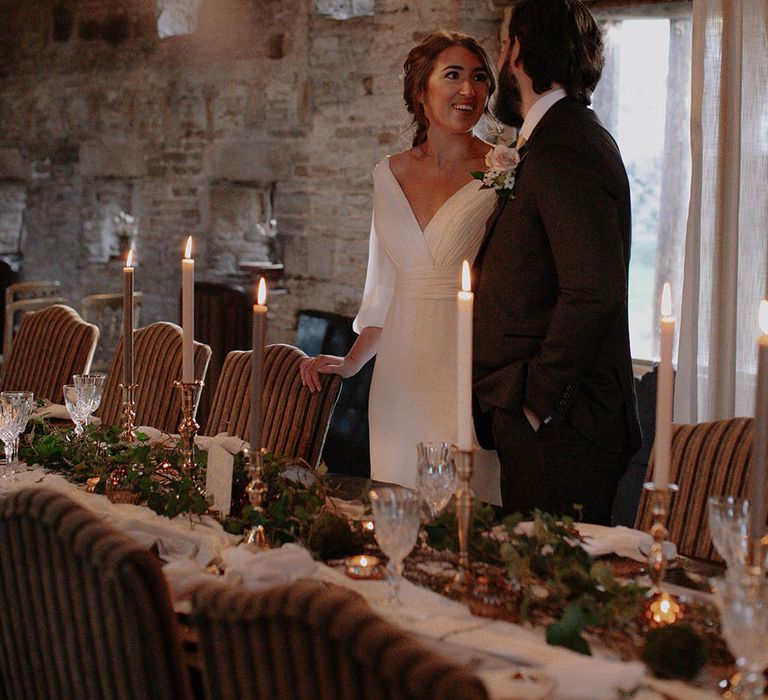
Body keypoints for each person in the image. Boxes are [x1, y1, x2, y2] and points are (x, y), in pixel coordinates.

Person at [300, 30, 501, 504]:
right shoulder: (387, 173)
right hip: (399, 377)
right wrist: (352, 362)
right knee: (398, 510)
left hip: (469, 370)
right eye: (452, 75)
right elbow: (386, 288)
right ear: (420, 90)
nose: (468, 91)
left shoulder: (503, 170)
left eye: (479, 78)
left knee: (465, 517)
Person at [472, 0, 642, 524]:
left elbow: (593, 291)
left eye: (503, 42)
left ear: (518, 49)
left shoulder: (568, 144)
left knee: (549, 593)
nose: (502, 54)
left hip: (564, 428)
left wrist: (536, 401)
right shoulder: (560, 137)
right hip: (550, 426)